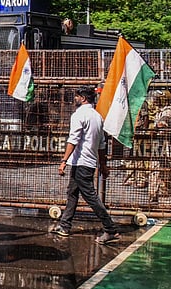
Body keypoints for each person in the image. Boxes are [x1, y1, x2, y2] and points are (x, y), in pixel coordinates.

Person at [50, 87, 121, 244]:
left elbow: (73, 139)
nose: (75, 99)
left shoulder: (79, 115)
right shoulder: (97, 117)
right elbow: (102, 144)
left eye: (76, 97)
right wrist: (103, 164)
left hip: (82, 162)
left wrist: (63, 161)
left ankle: (110, 229)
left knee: (90, 196)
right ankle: (64, 225)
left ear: (83, 98)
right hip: (85, 162)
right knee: (72, 193)